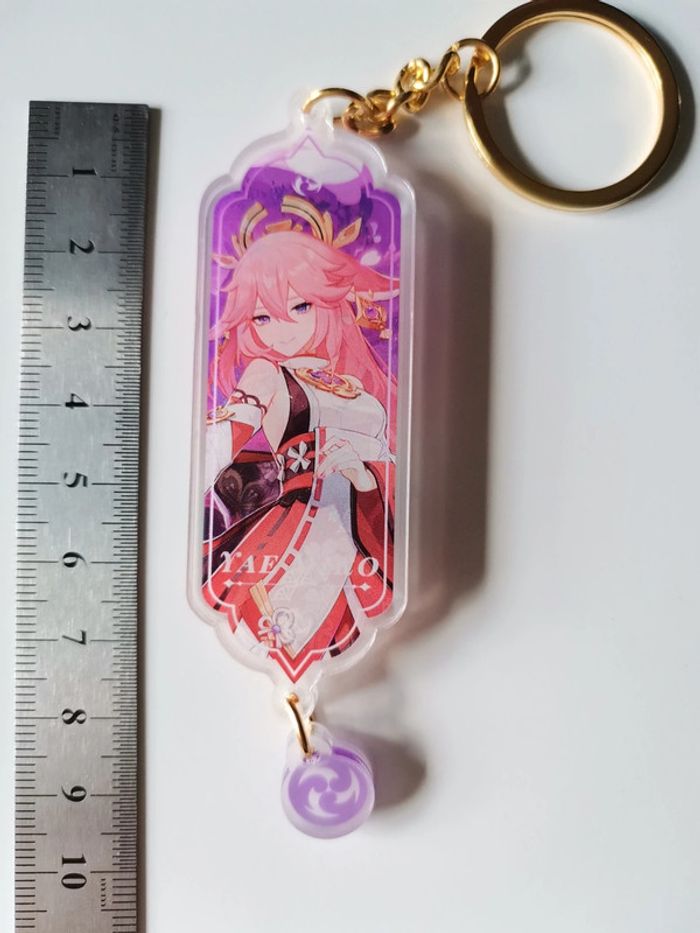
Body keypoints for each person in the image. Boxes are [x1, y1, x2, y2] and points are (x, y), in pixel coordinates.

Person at [201, 194, 398, 683]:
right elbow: (221, 445)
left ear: (328, 303)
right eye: (262, 317)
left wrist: (361, 476)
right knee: (293, 636)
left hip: (354, 533)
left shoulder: (355, 386)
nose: (282, 328)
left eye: (300, 306)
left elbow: (387, 464)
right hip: (293, 533)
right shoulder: (267, 373)